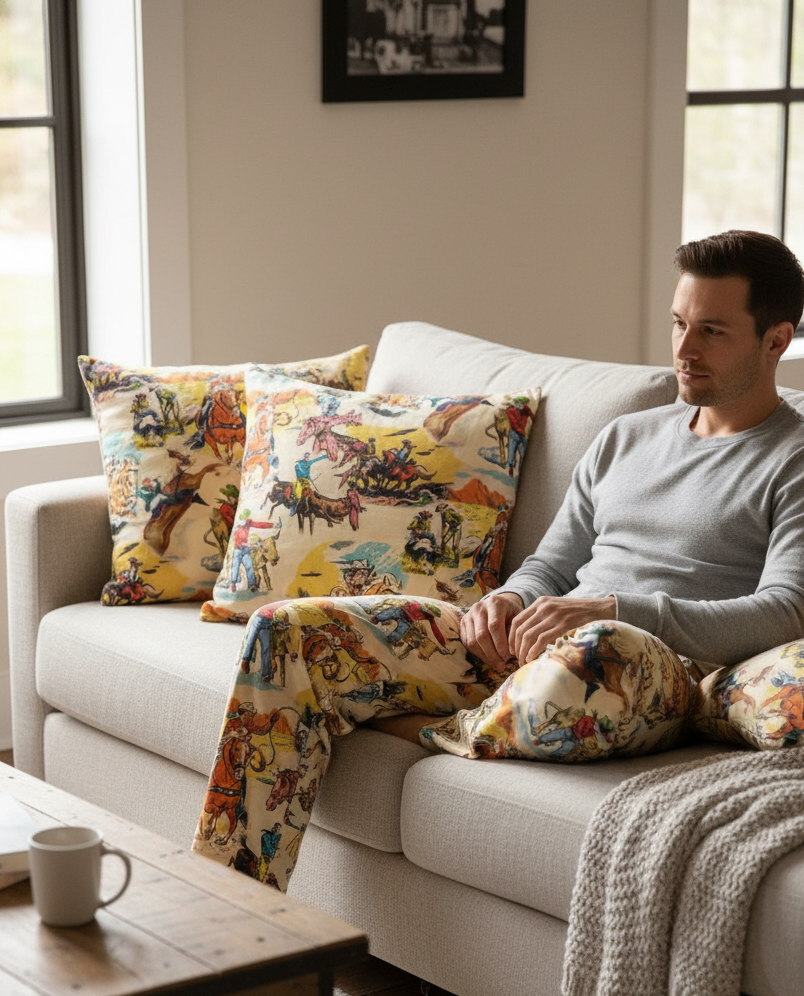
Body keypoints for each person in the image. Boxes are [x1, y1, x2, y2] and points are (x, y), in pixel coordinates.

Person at [194, 229, 804, 891]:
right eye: (679, 324)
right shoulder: (627, 436)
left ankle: (430, 725)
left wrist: (613, 609)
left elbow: (784, 611)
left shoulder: (792, 458)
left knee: (599, 650)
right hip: (537, 646)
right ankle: (232, 909)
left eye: (712, 331)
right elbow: (552, 561)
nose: (684, 351)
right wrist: (507, 602)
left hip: (645, 666)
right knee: (287, 633)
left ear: (777, 339)